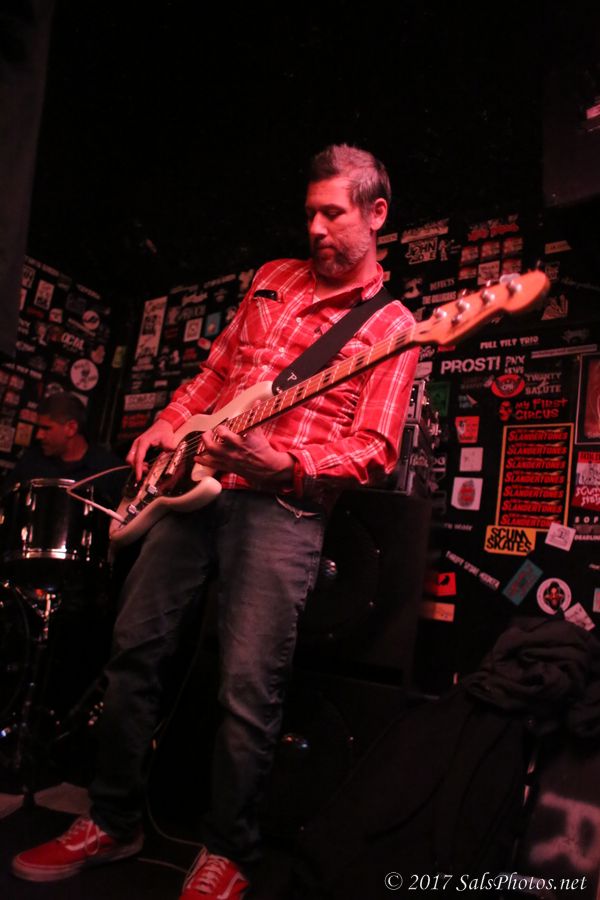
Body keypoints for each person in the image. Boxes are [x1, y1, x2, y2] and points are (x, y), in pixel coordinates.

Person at [11, 144, 419, 899]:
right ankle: (113, 819)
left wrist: (285, 465)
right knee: (133, 649)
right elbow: (215, 372)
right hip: (190, 488)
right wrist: (169, 422)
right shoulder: (272, 277)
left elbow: (375, 450)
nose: (316, 228)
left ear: (376, 214)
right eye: (310, 213)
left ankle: (228, 849)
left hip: (281, 508)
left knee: (248, 684)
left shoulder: (395, 325)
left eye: (333, 213)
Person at [1, 391, 126, 509]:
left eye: (46, 428)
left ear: (71, 428)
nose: (39, 435)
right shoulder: (32, 461)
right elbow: (5, 500)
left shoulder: (109, 470)